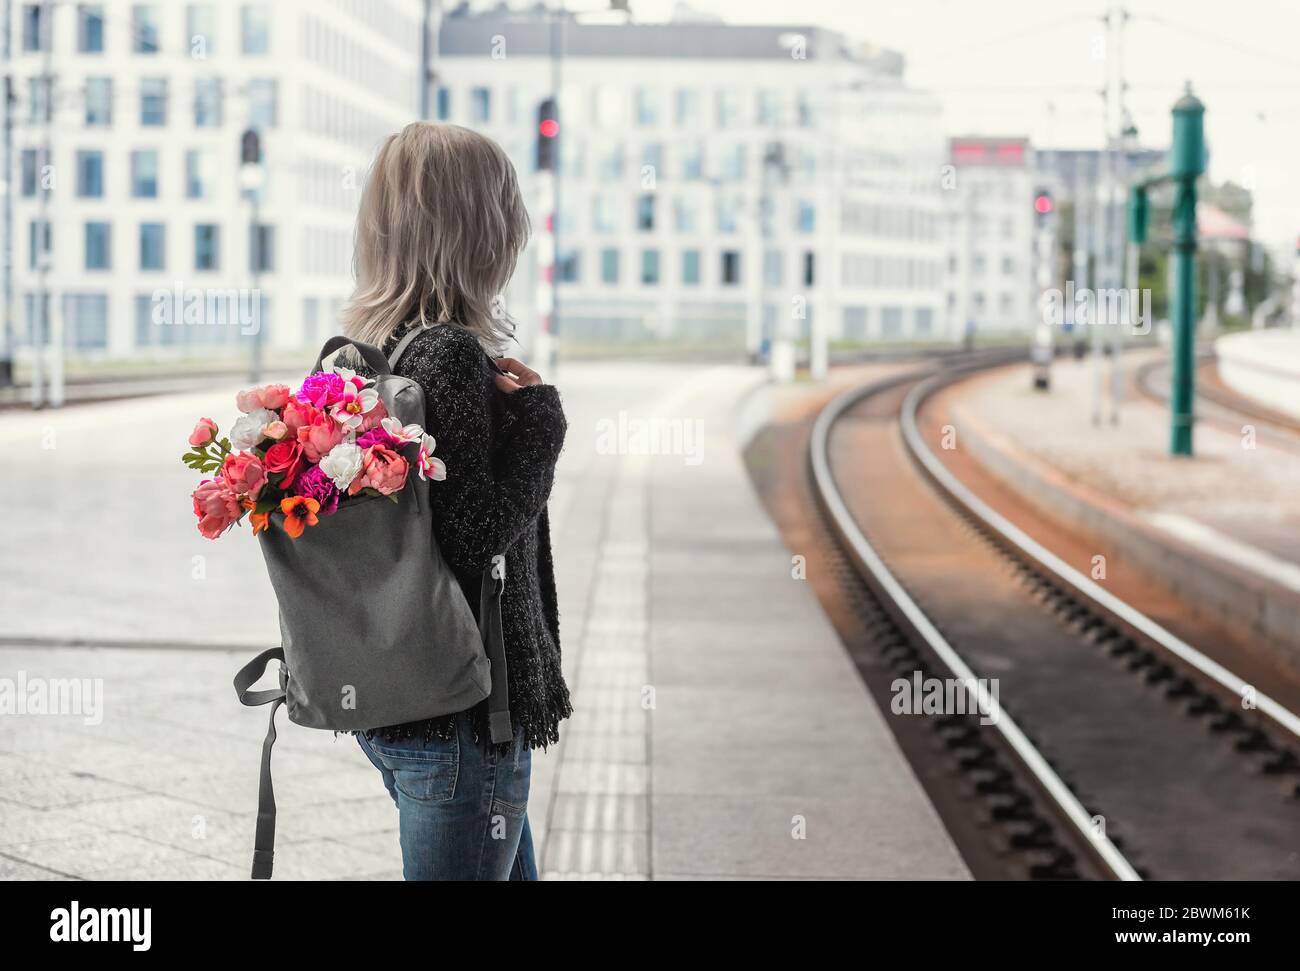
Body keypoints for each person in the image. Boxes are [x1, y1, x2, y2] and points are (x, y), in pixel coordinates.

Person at [340, 122, 571, 880]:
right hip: (466, 721)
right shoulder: (448, 354)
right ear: (482, 229)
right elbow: (476, 533)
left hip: (410, 705)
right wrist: (541, 424)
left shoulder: (381, 348)